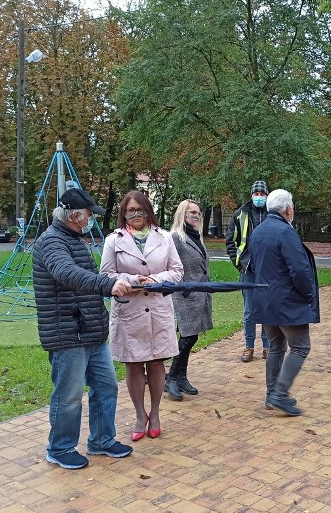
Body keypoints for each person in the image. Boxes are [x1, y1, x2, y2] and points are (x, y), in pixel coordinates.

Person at [32, 181, 135, 470]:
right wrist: (109, 286)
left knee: (106, 387)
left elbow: (85, 278)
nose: (91, 219)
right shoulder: (51, 242)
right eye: (89, 214)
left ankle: (102, 440)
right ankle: (60, 447)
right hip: (67, 333)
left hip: (91, 330)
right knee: (69, 395)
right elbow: (68, 274)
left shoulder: (74, 239)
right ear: (74, 215)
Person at [99, 191, 183, 441]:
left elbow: (177, 271)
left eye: (141, 210)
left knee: (157, 362)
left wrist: (156, 279)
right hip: (130, 309)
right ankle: (139, 414)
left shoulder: (165, 237)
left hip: (157, 308)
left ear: (149, 211)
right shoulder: (113, 240)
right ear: (123, 213)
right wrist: (133, 280)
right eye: (130, 211)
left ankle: (155, 414)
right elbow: (105, 275)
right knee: (133, 363)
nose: (136, 215)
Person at [249, 189, 319, 416]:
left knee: (276, 346)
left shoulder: (258, 231)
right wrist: (309, 295)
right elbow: (299, 269)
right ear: (288, 209)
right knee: (300, 346)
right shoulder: (286, 232)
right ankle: (279, 394)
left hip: (264, 299)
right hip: (287, 300)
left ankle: (272, 395)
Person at [165, 200, 213, 401]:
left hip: (200, 294)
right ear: (182, 214)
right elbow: (170, 265)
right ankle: (171, 378)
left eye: (198, 213)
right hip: (186, 294)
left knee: (192, 336)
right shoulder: (176, 237)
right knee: (187, 336)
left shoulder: (195, 236)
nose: (196, 215)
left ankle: (181, 377)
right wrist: (184, 289)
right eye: (192, 212)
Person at [226, 180, 270, 362]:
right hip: (249, 269)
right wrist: (239, 263)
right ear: (251, 195)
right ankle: (249, 346)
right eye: (256, 194)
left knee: (268, 309)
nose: (259, 197)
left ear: (267, 195)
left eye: (262, 194)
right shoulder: (240, 215)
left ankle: (268, 346)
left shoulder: (273, 213)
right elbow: (230, 241)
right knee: (249, 310)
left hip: (268, 269)